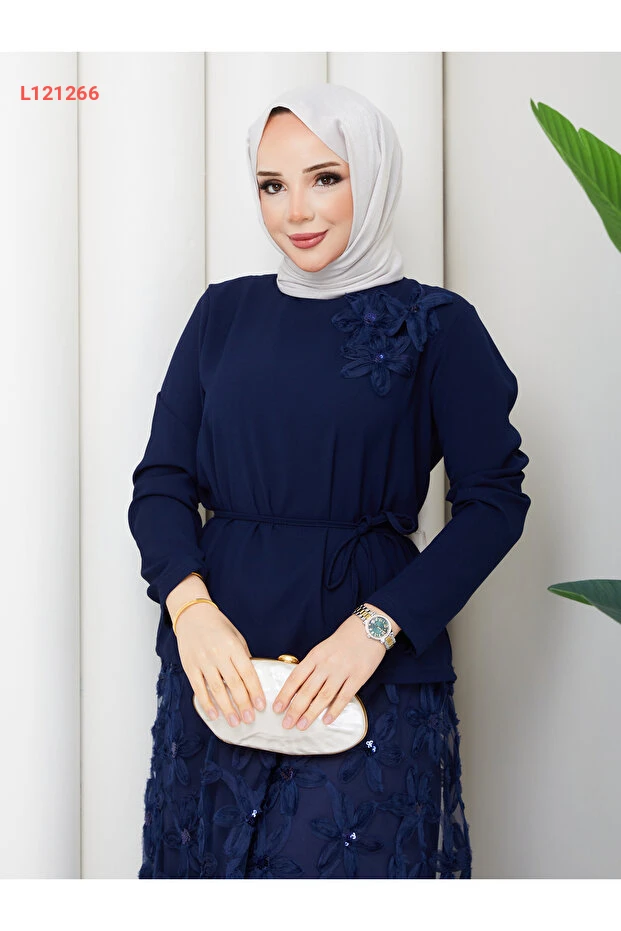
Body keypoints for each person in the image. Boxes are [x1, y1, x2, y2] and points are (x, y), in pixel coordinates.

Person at [128, 82, 531, 880]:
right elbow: (162, 480)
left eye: (325, 177)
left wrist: (375, 628)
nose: (296, 211)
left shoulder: (437, 325)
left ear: (371, 176)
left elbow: (494, 500)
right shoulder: (221, 314)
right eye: (271, 185)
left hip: (365, 671)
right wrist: (189, 610)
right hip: (218, 673)